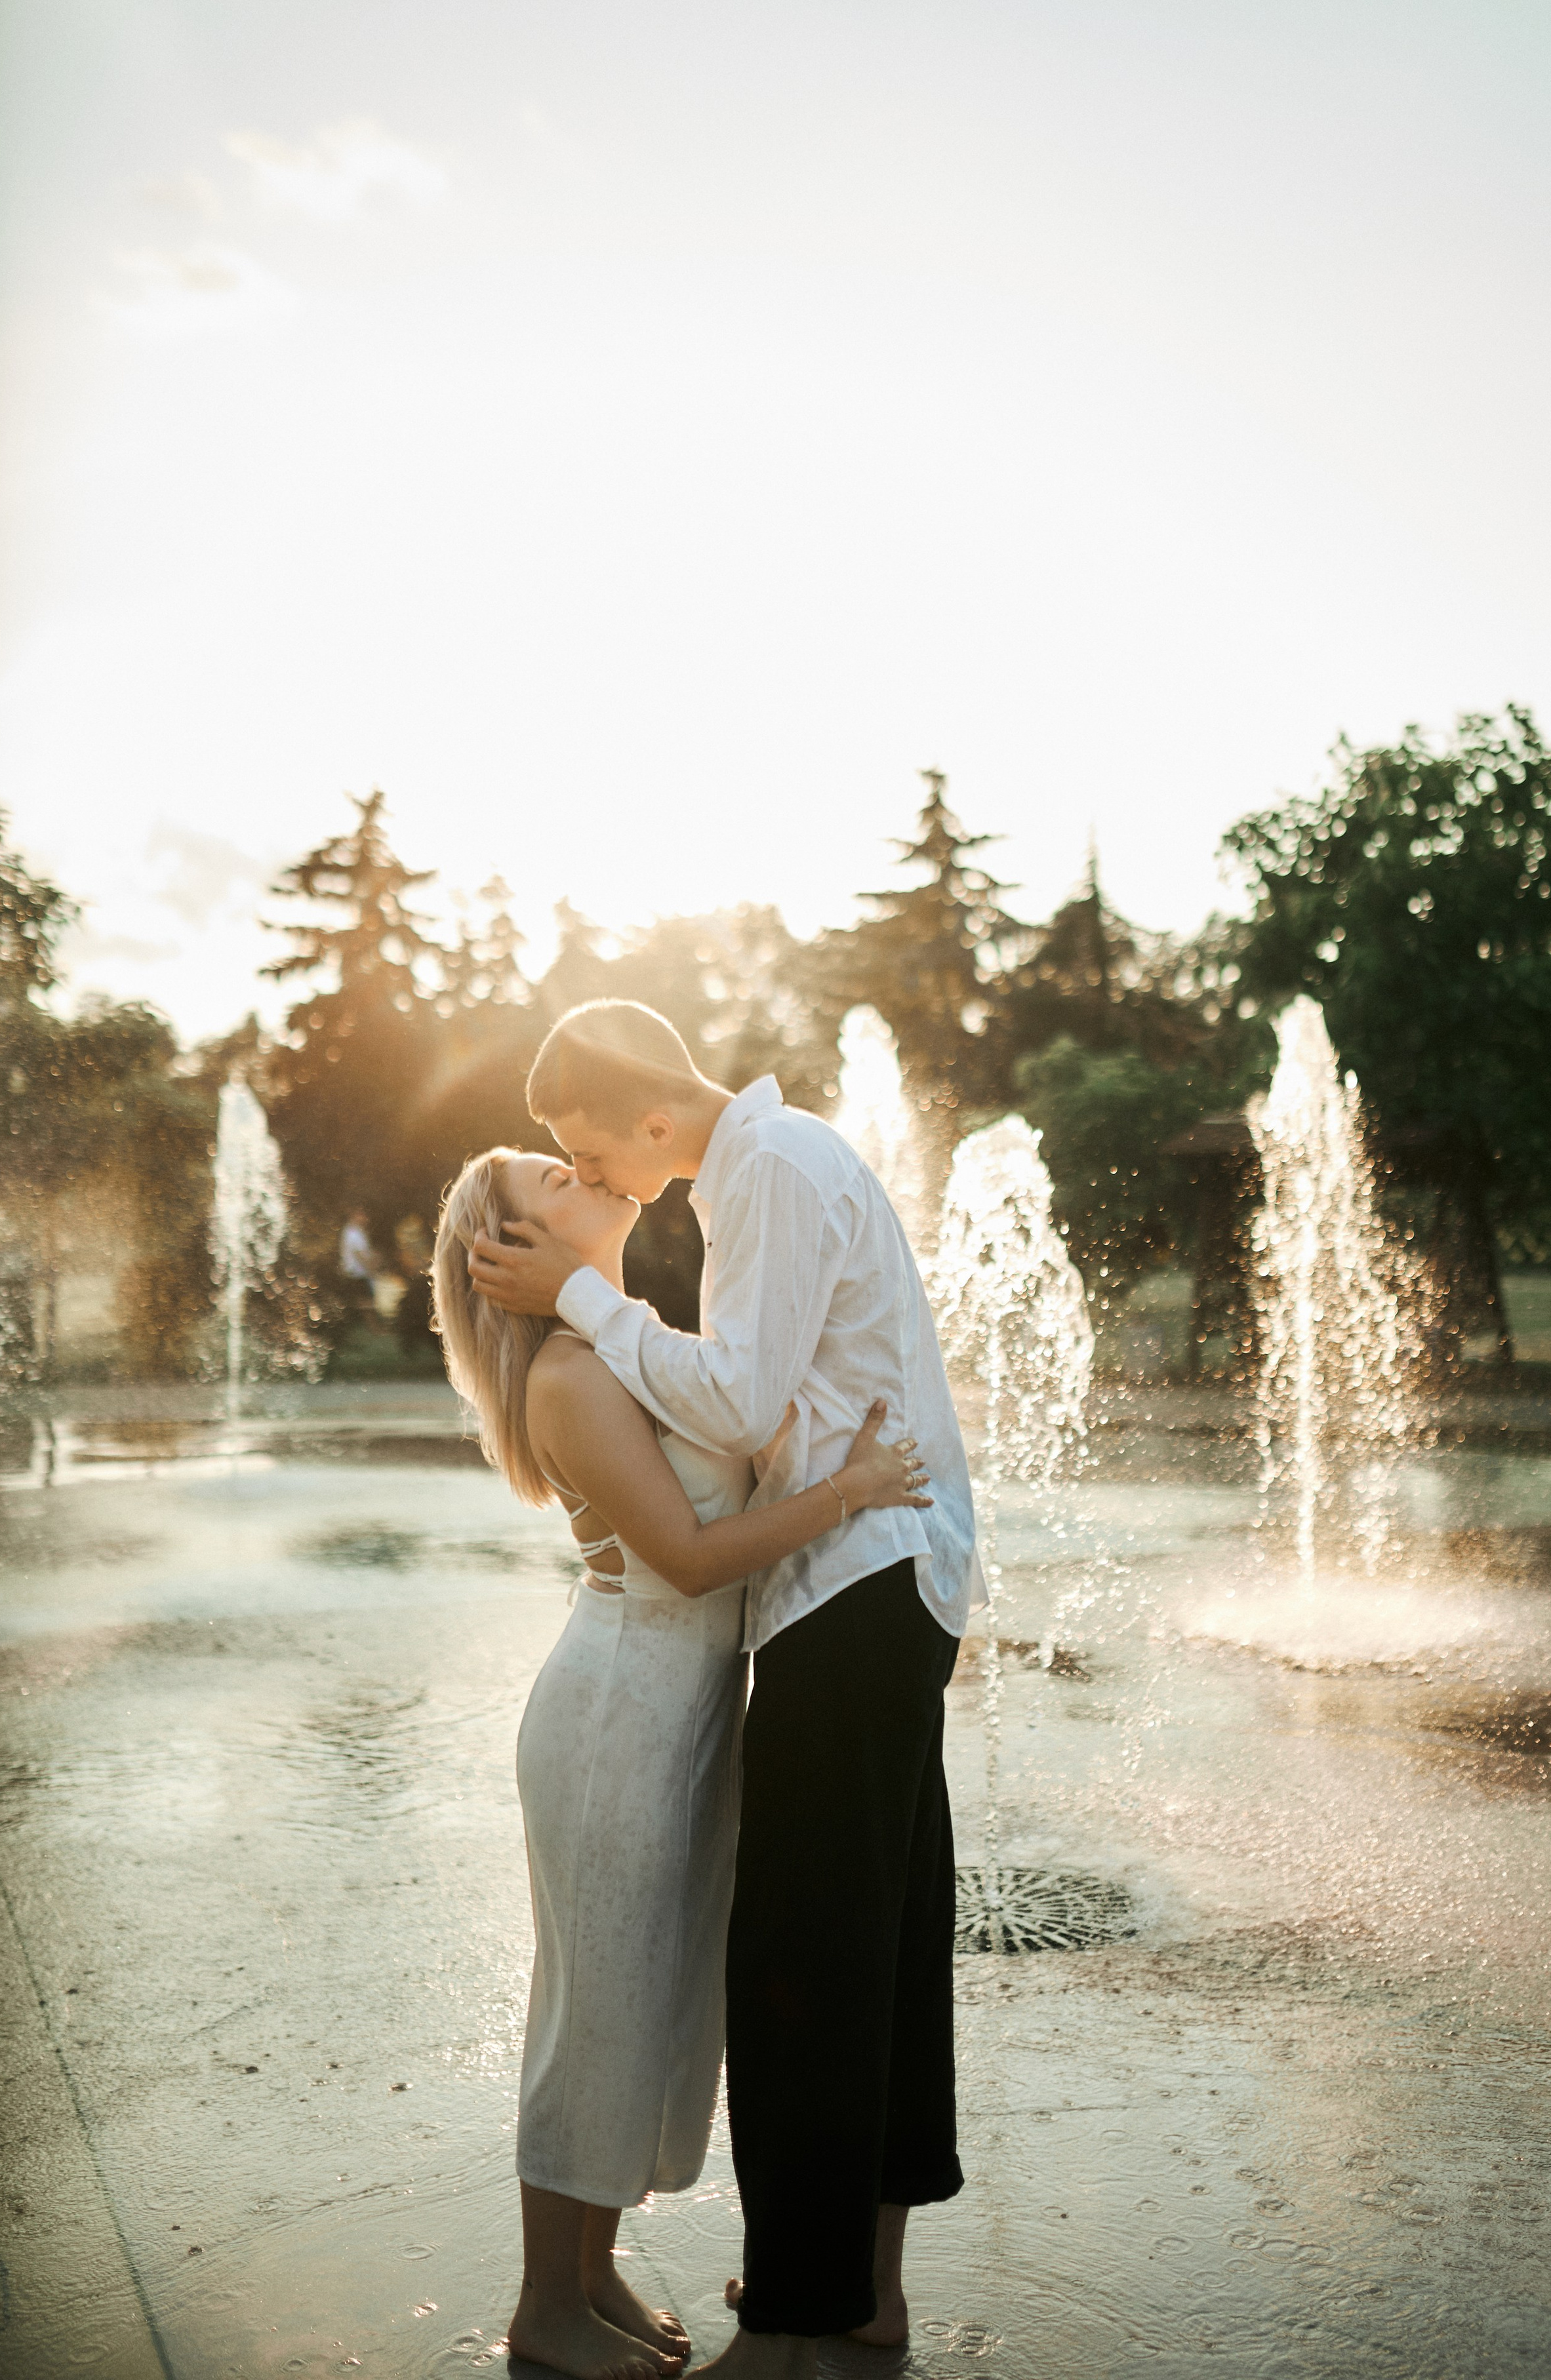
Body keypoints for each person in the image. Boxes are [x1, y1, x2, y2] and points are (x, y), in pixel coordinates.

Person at [468, 1000, 980, 2380]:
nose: (599, 1178)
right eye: (559, 1170)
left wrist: (577, 1293)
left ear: (647, 1113)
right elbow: (724, 1451)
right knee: (854, 1952)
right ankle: (840, 2293)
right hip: (828, 1596)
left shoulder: (766, 1168)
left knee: (816, 1964)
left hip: (854, 1589)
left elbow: (740, 1409)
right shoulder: (761, 1180)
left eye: (589, 1148)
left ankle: (806, 2313)